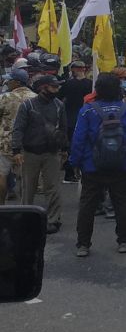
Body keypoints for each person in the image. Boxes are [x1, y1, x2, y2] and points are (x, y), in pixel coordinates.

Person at [70, 72, 126, 256]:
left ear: (97, 89)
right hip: (121, 165)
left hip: (92, 165)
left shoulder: (87, 110)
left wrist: (75, 162)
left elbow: (78, 139)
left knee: (87, 205)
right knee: (122, 203)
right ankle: (124, 241)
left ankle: (83, 244)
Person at [13, 75, 68, 233]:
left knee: (53, 188)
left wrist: (64, 149)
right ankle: (26, 219)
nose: (57, 90)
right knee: (28, 188)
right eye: (53, 87)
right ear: (42, 88)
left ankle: (53, 219)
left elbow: (63, 129)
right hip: (30, 153)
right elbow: (19, 128)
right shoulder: (27, 105)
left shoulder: (59, 105)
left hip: (52, 152)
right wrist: (16, 150)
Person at [0, 69, 35, 204]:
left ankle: (1, 206)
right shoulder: (35, 98)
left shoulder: (4, 98)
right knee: (25, 179)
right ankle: (24, 207)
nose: (7, 82)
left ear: (16, 82)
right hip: (27, 144)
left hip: (5, 143)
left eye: (10, 80)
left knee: (2, 174)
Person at [58, 60, 92, 183]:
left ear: (73, 70)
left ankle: (69, 173)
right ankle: (84, 171)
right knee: (86, 144)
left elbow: (58, 98)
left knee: (70, 146)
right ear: (84, 70)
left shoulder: (68, 84)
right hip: (87, 118)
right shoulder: (90, 84)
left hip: (70, 118)